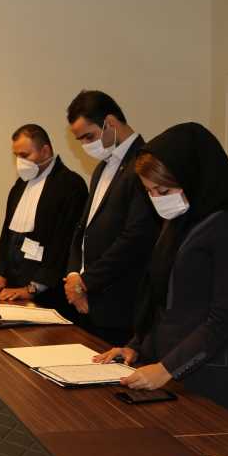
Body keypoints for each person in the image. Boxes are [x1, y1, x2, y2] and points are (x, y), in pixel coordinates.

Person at [95, 122, 228, 417]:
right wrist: (135, 347)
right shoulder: (179, 222)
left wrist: (166, 369)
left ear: (192, 176)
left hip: (208, 377)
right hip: (164, 364)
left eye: (164, 190)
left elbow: (223, 320)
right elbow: (160, 300)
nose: (158, 200)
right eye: (150, 192)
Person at [64, 90, 160, 344]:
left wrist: (85, 282)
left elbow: (136, 237)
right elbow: (83, 229)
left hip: (120, 304)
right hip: (88, 301)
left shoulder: (144, 163)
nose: (85, 146)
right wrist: (73, 276)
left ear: (111, 123)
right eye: (80, 140)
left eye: (89, 136)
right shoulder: (102, 167)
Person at [0, 124, 87, 314]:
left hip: (48, 293)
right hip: (14, 288)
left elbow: (65, 245)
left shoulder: (71, 185)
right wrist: (1, 276)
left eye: (25, 155)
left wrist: (33, 288)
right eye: (16, 156)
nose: (20, 162)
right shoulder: (20, 185)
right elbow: (7, 234)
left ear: (45, 151)